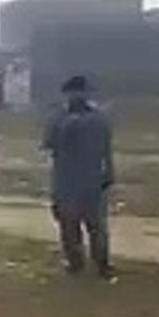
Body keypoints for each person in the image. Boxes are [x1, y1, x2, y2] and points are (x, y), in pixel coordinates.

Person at [43, 76, 115, 278]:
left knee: (97, 225)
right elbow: (48, 143)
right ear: (67, 94)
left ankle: (102, 263)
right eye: (73, 92)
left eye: (81, 92)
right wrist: (66, 128)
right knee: (68, 224)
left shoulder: (99, 118)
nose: (78, 96)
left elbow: (107, 148)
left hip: (93, 179)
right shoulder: (57, 117)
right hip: (66, 180)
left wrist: (109, 172)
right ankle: (75, 263)